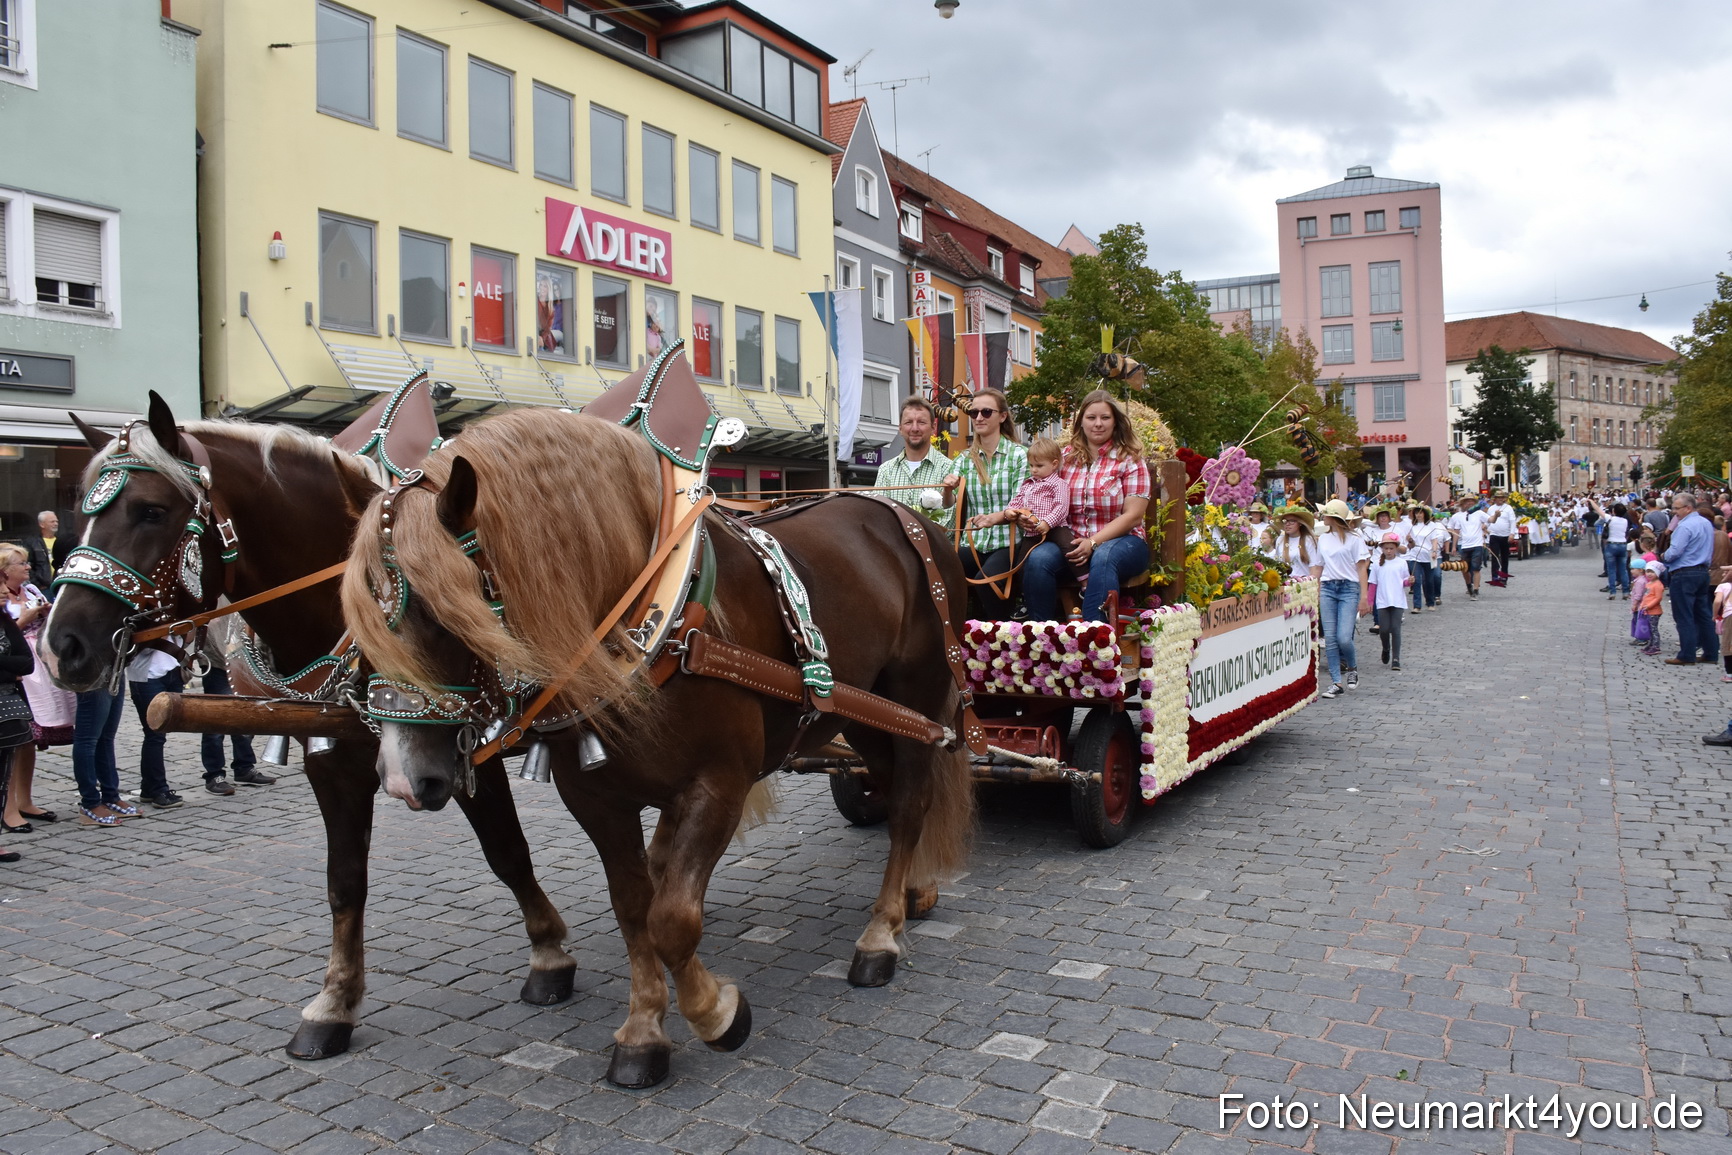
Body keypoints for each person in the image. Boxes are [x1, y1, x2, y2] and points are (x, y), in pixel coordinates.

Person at [1022, 390, 1150, 622]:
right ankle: (1039, 638)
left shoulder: (1129, 459)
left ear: (1115, 421)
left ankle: (1094, 638)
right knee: (1038, 558)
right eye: (1091, 418)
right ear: (1081, 421)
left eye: (1105, 418)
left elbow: (1133, 516)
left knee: (1104, 555)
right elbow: (1039, 492)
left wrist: (1093, 542)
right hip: (1071, 542)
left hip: (1124, 542)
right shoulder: (1064, 458)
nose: (1098, 424)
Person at [0, 544, 71, 833]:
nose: (28, 567)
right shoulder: (4, 600)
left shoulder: (30, 592)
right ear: (5, 570)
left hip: (36, 667)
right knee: (12, 741)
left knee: (29, 738)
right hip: (14, 680)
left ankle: (24, 799)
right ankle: (9, 806)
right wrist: (26, 620)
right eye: (21, 563)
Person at [948, 388, 1030, 618]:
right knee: (936, 572)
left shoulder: (1020, 455)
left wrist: (994, 518)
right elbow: (949, 504)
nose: (979, 418)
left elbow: (1020, 503)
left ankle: (1001, 639)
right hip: (973, 542)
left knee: (987, 581)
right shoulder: (964, 459)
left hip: (1009, 542)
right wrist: (947, 488)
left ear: (1002, 416)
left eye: (986, 412)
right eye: (974, 413)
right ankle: (955, 639)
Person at [967, 436, 1072, 560]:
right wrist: (1010, 510)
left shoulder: (1058, 484)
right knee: (1022, 560)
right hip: (1033, 530)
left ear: (1054, 464)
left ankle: (1083, 578)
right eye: (1031, 465)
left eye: (1039, 466)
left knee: (1070, 549)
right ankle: (1021, 576)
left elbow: (1061, 507)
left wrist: (1047, 522)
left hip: (1056, 527)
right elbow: (1018, 499)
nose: (1033, 470)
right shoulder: (1029, 484)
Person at [197, 632, 274, 793]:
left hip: (243, 661)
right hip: (217, 661)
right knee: (216, 721)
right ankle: (214, 775)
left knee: (244, 717)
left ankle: (244, 767)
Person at [1314, 499, 1370, 699]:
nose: (1322, 516)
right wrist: (1315, 587)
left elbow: (1362, 568)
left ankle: (1352, 667)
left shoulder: (1355, 539)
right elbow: (1318, 566)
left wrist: (1364, 597)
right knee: (1329, 638)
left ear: (1334, 517)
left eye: (1326, 514)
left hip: (1348, 588)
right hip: (1328, 587)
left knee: (1343, 637)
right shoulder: (1322, 539)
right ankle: (1336, 682)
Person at [874, 396, 956, 528]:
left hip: (933, 548)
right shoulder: (886, 470)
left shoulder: (948, 468)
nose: (915, 428)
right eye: (908, 422)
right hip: (894, 547)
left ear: (933, 427)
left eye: (921, 422)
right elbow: (878, 516)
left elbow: (947, 523)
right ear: (900, 428)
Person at [126, 641, 187, 809]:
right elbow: (138, 643)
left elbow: (186, 638)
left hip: (172, 670)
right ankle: (158, 789)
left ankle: (148, 789)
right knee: (154, 734)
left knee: (160, 733)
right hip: (147, 676)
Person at [1661, 492, 1719, 666]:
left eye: (1677, 508)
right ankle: (1710, 652)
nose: (1674, 512)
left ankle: (1687, 654)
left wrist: (1664, 555)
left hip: (1684, 572)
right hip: (1702, 571)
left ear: (1688, 508)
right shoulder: (1706, 523)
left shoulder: (1685, 526)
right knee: (1703, 614)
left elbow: (1675, 551)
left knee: (1684, 615)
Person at [0, 608, 35, 863]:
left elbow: (27, 662)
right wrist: (10, 673)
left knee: (2, 776)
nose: (3, 590)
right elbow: (17, 667)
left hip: (6, 709)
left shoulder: (3, 619)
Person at [1370, 532, 1411, 671]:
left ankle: (1396, 658)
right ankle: (1386, 647)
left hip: (1397, 600)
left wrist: (1409, 581)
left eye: (1391, 548)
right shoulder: (1376, 564)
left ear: (1396, 549)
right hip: (1382, 600)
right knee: (1384, 629)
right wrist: (1370, 602)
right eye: (1386, 548)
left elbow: (1404, 582)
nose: (1388, 551)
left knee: (1396, 628)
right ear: (1382, 548)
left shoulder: (1402, 562)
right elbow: (1373, 584)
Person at [1446, 496, 1492, 599]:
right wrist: (1453, 545)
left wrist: (1487, 525)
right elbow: (1452, 528)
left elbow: (1489, 520)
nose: (1469, 504)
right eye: (1467, 502)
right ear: (1462, 504)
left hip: (1476, 544)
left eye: (1472, 502)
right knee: (1465, 568)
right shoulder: (1457, 516)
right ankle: (1469, 585)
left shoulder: (1478, 513)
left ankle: (1475, 589)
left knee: (1476, 568)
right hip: (1462, 544)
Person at [1405, 506, 1447, 611]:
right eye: (1416, 513)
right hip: (1415, 556)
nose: (1418, 515)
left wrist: (1434, 551)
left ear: (1425, 514)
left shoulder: (1431, 525)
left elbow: (1434, 540)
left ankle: (1430, 602)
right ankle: (1417, 606)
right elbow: (1411, 546)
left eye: (1420, 513)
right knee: (1416, 581)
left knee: (1429, 580)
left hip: (1428, 556)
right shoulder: (1411, 526)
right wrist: (1410, 540)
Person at [19, 511, 70, 592]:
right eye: (52, 521)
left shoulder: (62, 542)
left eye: (57, 521)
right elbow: (28, 565)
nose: (56, 524)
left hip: (60, 584)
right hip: (44, 588)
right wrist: (37, 585)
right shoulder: (32, 542)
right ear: (42, 524)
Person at [1274, 506, 1322, 580]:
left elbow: (1313, 566)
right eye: (1285, 521)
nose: (1287, 524)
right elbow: (1277, 565)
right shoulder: (1280, 540)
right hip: (1285, 584)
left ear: (1300, 523)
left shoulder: (1308, 540)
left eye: (1292, 521)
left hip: (1304, 584)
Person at [1599, 501, 1632, 600]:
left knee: (1612, 570)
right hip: (1622, 545)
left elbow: (1598, 510)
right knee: (1623, 570)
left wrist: (1591, 501)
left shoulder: (1611, 519)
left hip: (1611, 544)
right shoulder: (1625, 521)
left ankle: (1612, 592)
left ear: (1613, 511)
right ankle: (1626, 591)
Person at [1485, 491, 1516, 586]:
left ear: (1504, 498)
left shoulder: (1508, 508)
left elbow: (1512, 521)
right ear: (1495, 499)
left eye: (1501, 497)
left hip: (1505, 536)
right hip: (1494, 535)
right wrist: (1485, 528)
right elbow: (1488, 520)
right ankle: (1494, 577)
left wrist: (1512, 534)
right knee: (1495, 556)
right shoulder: (1491, 508)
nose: (1500, 499)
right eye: (1498, 497)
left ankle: (1503, 577)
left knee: (1504, 557)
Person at [1638, 562, 1666, 657]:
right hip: (1647, 610)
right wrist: (1642, 605)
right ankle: (1651, 644)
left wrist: (1649, 606)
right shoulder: (1649, 584)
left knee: (1654, 629)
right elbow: (1646, 596)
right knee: (1649, 628)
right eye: (1647, 571)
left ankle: (1656, 646)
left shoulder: (1658, 585)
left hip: (1654, 611)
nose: (1649, 574)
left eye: (1652, 572)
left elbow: (1658, 598)